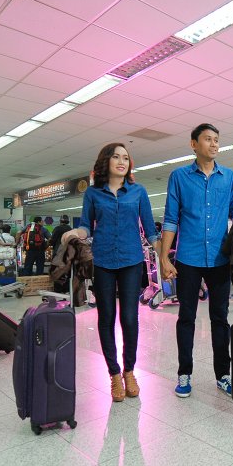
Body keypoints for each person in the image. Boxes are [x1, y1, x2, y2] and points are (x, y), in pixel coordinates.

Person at [159, 123, 233, 398]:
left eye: (216, 140)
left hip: (219, 258)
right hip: (188, 258)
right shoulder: (179, 177)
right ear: (194, 144)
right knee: (186, 318)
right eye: (208, 139)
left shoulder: (229, 177)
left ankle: (223, 375)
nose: (214, 144)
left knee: (220, 319)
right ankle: (184, 373)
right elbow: (171, 219)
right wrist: (164, 258)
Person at [61, 143, 156, 402]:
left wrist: (165, 257)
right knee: (106, 318)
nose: (122, 161)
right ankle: (114, 374)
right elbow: (86, 226)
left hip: (131, 260)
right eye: (116, 157)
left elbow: (150, 230)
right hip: (103, 261)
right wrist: (75, 232)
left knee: (129, 318)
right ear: (106, 161)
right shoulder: (93, 193)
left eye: (125, 157)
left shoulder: (138, 191)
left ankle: (129, 371)